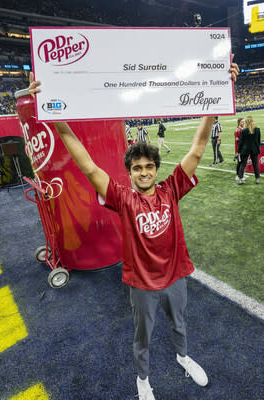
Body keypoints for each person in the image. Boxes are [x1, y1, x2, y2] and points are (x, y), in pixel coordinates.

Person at [29, 61, 238, 400]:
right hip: (141, 285)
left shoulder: (171, 189)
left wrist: (214, 100)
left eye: (149, 166)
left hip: (175, 277)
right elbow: (87, 164)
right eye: (137, 167)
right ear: (129, 173)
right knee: (142, 336)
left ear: (156, 169)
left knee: (180, 324)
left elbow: (198, 149)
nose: (144, 172)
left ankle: (183, 357)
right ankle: (143, 380)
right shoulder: (123, 199)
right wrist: (55, 118)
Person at [237, 116, 261, 185]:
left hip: (245, 149)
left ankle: (241, 179)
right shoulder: (257, 129)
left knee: (243, 164)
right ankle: (257, 179)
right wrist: (256, 147)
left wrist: (238, 151)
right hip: (254, 149)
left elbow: (241, 142)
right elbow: (258, 140)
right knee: (255, 164)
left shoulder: (244, 130)